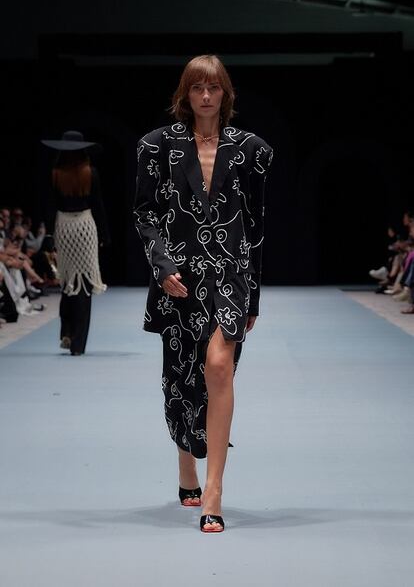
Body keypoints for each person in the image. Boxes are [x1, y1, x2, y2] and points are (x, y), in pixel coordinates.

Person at [134, 54, 273, 533]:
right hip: (179, 279)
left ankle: (213, 490)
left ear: (226, 93)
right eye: (198, 87)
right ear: (185, 94)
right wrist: (162, 267)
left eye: (214, 87)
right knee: (181, 378)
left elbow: (255, 226)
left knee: (217, 367)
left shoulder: (251, 150)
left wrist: (253, 296)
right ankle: (185, 463)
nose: (207, 96)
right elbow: (145, 214)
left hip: (231, 274)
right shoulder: (157, 146)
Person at [41, 131, 109, 355]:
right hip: (85, 226)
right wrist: (104, 235)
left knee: (68, 281)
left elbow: (50, 206)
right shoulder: (91, 173)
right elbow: (98, 205)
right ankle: (78, 344)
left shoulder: (55, 174)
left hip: (63, 227)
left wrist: (49, 235)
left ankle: (67, 332)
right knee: (84, 285)